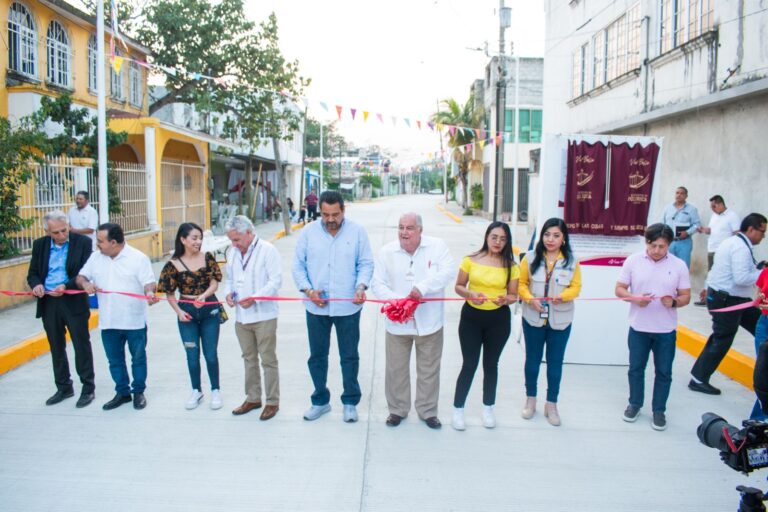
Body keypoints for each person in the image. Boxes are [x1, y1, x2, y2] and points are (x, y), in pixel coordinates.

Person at [292, 190, 374, 423]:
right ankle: (320, 401)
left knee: (349, 356)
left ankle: (350, 402)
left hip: (348, 307)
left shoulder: (357, 231)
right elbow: (298, 266)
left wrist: (361, 287)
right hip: (315, 307)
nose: (330, 219)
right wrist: (309, 290)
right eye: (325, 214)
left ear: (343, 211)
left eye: (335, 214)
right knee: (317, 356)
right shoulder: (308, 233)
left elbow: (366, 263)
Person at [370, 213, 454, 429]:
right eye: (400, 228)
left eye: (409, 228)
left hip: (430, 322)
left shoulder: (437, 247)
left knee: (428, 370)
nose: (404, 233)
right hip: (398, 323)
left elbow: (447, 272)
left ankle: (428, 412)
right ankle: (397, 410)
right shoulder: (387, 251)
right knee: (396, 370)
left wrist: (422, 288)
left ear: (420, 230)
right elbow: (377, 284)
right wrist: (398, 302)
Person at [615, 223, 691, 431]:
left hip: (666, 330)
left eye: (662, 246)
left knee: (664, 372)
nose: (657, 251)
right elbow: (619, 289)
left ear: (669, 246)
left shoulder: (678, 265)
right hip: (639, 327)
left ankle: (659, 411)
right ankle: (635, 404)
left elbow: (686, 296)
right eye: (653, 246)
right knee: (636, 369)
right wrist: (634, 298)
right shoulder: (633, 261)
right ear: (646, 243)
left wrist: (674, 302)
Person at [76, 223, 159, 411]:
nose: (97, 245)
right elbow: (80, 277)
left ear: (113, 242)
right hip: (108, 322)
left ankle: (138, 392)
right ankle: (122, 393)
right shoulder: (95, 258)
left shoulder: (138, 258)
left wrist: (149, 293)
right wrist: (86, 284)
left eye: (100, 241)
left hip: (134, 321)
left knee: (137, 359)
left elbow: (149, 282)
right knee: (115, 361)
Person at [690, 213, 767, 395]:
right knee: (722, 339)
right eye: (762, 232)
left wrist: (759, 268)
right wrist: (764, 275)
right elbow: (741, 278)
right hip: (727, 300)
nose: (763, 237)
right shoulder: (739, 247)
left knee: (760, 326)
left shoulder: (733, 242)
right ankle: (698, 379)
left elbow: (721, 269)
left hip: (734, 299)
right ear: (750, 229)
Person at [452, 221, 519, 431]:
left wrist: (505, 300)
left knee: (491, 365)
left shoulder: (511, 266)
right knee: (469, 364)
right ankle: (458, 410)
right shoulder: (470, 260)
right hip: (471, 317)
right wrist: (471, 294)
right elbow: (459, 286)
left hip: (498, 320)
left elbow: (514, 295)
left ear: (507, 241)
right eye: (494, 237)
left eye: (502, 239)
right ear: (487, 237)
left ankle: (488, 409)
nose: (498, 242)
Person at [27, 210, 95, 408]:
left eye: (64, 230)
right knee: (56, 345)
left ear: (68, 226)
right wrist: (37, 285)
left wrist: (66, 285)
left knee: (81, 344)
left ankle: (88, 388)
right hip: (49, 302)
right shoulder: (39, 245)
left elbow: (84, 273)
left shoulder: (81, 242)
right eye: (55, 233)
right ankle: (64, 387)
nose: (61, 235)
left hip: (72, 300)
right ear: (47, 231)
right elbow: (32, 273)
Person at [518, 218, 582, 426]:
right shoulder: (530, 258)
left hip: (560, 321)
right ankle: (530, 400)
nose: (550, 239)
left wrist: (563, 295)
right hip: (533, 317)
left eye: (556, 235)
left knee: (555, 365)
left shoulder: (572, 261)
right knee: (532, 362)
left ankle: (551, 405)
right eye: (547, 235)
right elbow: (521, 284)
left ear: (563, 238)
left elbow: (576, 287)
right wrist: (530, 299)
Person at [157, 223, 224, 411]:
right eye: (194, 238)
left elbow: (215, 283)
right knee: (192, 354)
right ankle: (196, 390)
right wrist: (179, 312)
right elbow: (169, 294)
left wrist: (204, 295)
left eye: (200, 238)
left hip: (209, 308)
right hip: (186, 311)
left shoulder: (208, 258)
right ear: (183, 240)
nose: (198, 241)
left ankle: (216, 390)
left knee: (210, 354)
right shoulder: (172, 265)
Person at [224, 215, 282, 421]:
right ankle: (253, 397)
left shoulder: (268, 250)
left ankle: (272, 402)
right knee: (248, 359)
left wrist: (255, 298)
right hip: (241, 317)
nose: (234, 244)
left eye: (237, 239)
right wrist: (228, 294)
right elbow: (229, 279)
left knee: (268, 359)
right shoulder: (233, 253)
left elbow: (276, 281)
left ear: (248, 233)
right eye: (231, 240)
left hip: (264, 315)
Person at [694, 195, 740, 305]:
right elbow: (711, 230)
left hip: (724, 252)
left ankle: (715, 299)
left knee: (720, 276)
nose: (712, 209)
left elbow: (737, 233)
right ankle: (707, 298)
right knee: (711, 274)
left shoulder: (732, 216)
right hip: (712, 249)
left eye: (714, 206)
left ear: (720, 204)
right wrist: (703, 230)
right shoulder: (714, 215)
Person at [661, 186, 701, 268]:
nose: (679, 195)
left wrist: (687, 232)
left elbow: (697, 224)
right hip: (669, 242)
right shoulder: (668, 208)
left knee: (683, 267)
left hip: (684, 243)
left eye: (682, 193)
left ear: (686, 196)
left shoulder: (692, 209)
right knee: (667, 267)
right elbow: (662, 224)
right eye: (677, 193)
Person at [751, 268, 768, 420]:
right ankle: (757, 422)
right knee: (763, 374)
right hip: (764, 324)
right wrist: (760, 301)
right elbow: (758, 297)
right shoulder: (766, 272)